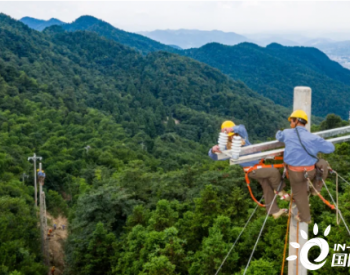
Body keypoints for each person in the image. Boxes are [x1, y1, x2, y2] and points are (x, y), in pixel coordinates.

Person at [209, 120, 289, 219]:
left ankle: (274, 211)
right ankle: (281, 191)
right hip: (252, 170)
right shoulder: (227, 148)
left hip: (260, 166)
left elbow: (242, 127)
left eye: (234, 133)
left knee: (267, 186)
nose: (233, 136)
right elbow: (215, 157)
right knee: (274, 172)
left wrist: (231, 129)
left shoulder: (243, 138)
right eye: (230, 135)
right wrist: (212, 151)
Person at [276, 110, 335, 224]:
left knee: (299, 195)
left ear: (296, 121)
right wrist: (318, 144)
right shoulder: (313, 137)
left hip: (294, 173)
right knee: (322, 163)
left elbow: (279, 136)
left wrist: (279, 131)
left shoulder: (287, 133)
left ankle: (305, 218)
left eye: (291, 121)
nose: (290, 124)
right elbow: (330, 148)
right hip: (311, 171)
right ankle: (316, 189)